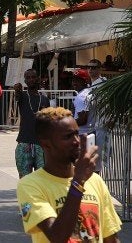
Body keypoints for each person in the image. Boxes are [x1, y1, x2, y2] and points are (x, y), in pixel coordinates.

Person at [17, 107, 121, 242]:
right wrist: (78, 181)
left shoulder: (95, 180)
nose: (77, 141)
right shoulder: (30, 185)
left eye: (77, 134)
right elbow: (57, 237)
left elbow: (110, 237)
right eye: (68, 136)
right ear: (46, 144)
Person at [14, 69, 50, 178]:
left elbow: (48, 122)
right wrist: (17, 90)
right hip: (24, 141)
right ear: (25, 80)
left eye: (33, 77)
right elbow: (17, 95)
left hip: (40, 144)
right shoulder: (23, 96)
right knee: (25, 179)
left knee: (43, 179)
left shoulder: (44, 99)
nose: (31, 80)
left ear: (37, 79)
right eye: (28, 77)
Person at [86, 59, 108, 173]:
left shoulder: (102, 84)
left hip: (100, 125)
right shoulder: (93, 85)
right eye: (89, 67)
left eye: (94, 67)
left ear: (99, 69)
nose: (91, 69)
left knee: (96, 160)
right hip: (92, 125)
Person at [71, 69, 91, 135]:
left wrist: (67, 124)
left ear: (84, 81)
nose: (74, 83)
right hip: (89, 133)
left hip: (82, 134)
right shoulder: (88, 92)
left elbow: (82, 120)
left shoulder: (81, 96)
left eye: (78, 80)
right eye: (73, 80)